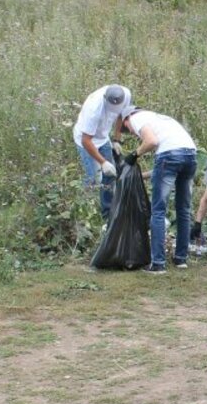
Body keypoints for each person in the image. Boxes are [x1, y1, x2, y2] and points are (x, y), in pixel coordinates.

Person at [116, 106, 197, 274]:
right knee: (183, 209)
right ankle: (181, 259)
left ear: (126, 119)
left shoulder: (136, 118)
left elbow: (152, 142)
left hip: (169, 155)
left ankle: (158, 263)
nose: (131, 132)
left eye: (128, 130)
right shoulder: (159, 118)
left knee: (158, 210)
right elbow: (164, 168)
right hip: (190, 155)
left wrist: (134, 155)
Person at [72, 84, 131, 221]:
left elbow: (121, 117)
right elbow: (86, 140)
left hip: (103, 138)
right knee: (93, 178)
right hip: (85, 141)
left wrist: (117, 140)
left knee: (109, 176)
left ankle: (107, 212)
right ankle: (84, 210)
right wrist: (103, 162)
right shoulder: (94, 108)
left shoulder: (125, 94)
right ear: (106, 100)